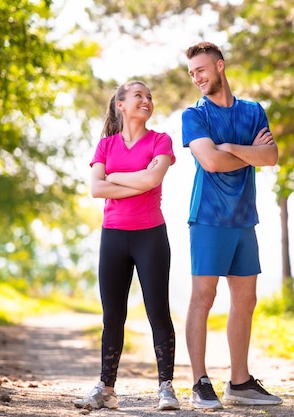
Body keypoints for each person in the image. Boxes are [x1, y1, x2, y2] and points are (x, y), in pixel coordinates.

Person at [181, 41, 283, 409]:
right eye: (192, 73)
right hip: (208, 217)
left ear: (220, 66)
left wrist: (229, 147)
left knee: (246, 299)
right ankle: (199, 382)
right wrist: (246, 151)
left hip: (244, 219)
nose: (197, 78)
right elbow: (210, 162)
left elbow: (271, 156)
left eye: (202, 70)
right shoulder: (193, 116)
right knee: (203, 298)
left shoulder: (254, 111)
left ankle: (239, 383)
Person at [73, 80, 180, 411]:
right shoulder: (105, 146)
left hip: (151, 236)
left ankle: (166, 388)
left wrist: (114, 177)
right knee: (113, 315)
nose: (146, 100)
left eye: (149, 96)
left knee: (158, 311)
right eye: (139, 96)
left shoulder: (161, 140)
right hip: (114, 237)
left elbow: (151, 180)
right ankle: (106, 388)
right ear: (120, 105)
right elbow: (96, 190)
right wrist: (132, 179)